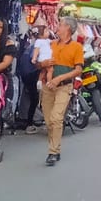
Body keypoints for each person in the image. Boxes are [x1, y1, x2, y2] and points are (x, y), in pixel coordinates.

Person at [40, 16, 84, 166]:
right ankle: (54, 148)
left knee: (56, 118)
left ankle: (53, 151)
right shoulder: (51, 44)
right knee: (48, 121)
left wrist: (60, 78)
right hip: (47, 86)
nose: (57, 27)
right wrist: (44, 63)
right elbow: (38, 64)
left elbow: (78, 69)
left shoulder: (76, 47)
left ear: (68, 29)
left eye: (60, 25)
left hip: (64, 86)